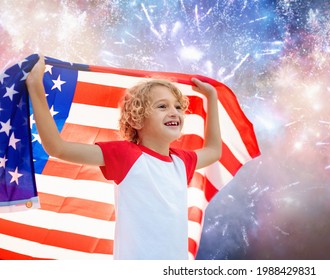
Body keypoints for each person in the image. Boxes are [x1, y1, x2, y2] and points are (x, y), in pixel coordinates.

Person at [26, 55, 222, 259]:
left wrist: (212, 98)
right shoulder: (127, 155)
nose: (174, 112)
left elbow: (214, 151)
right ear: (137, 120)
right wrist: (35, 85)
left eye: (178, 107)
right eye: (162, 106)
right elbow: (58, 148)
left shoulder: (182, 161)